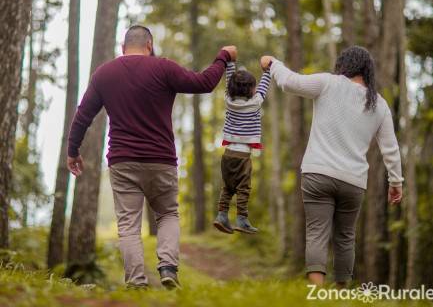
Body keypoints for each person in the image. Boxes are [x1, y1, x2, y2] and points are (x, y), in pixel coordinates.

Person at [66, 25, 237, 289]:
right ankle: (168, 268)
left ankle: (136, 283)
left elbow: (83, 115)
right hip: (161, 159)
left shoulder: (104, 73)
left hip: (123, 161)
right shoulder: (163, 68)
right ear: (150, 44)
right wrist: (223, 56)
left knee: (128, 225)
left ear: (123, 48)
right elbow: (204, 83)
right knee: (168, 213)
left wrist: (73, 150)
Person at [261, 46, 403, 286]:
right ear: (368, 71)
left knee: (317, 233)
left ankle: (317, 295)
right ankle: (340, 295)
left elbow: (290, 82)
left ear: (343, 65)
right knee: (345, 238)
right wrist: (396, 182)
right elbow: (390, 148)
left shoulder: (328, 83)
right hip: (353, 181)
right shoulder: (379, 104)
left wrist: (273, 63)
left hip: (318, 174)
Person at [213, 57, 271, 235]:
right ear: (252, 90)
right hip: (243, 157)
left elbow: (229, 78)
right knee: (243, 189)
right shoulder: (256, 102)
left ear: (231, 89)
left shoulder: (228, 101)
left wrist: (230, 64)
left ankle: (222, 215)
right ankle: (242, 219)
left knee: (227, 187)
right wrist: (268, 70)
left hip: (228, 154)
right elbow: (264, 85)